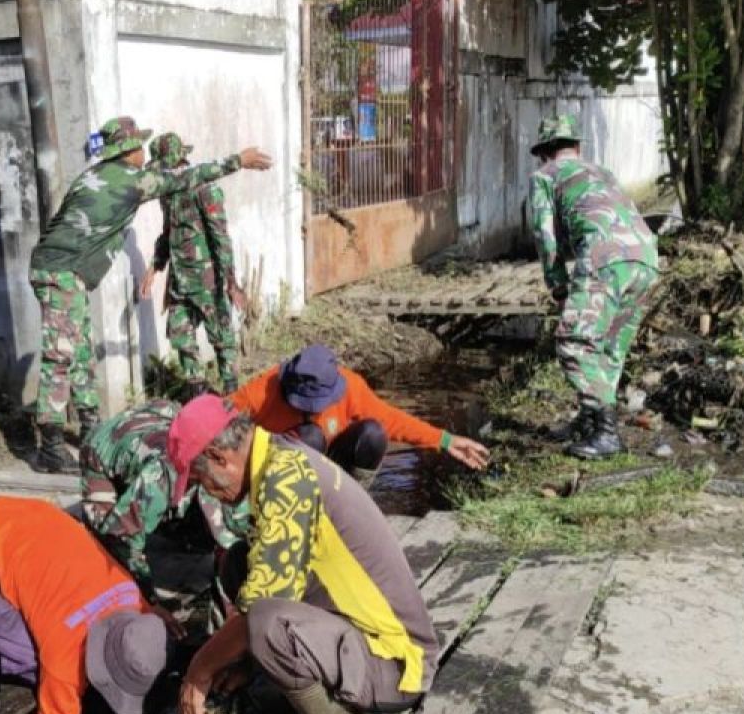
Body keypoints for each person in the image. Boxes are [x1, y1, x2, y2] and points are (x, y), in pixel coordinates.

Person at [167, 395, 439, 714]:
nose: (207, 493)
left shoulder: (286, 479)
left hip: (395, 666)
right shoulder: (278, 455)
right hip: (365, 638)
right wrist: (242, 660)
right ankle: (289, 680)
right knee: (241, 561)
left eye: (201, 481)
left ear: (219, 457)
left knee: (265, 618)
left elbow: (261, 607)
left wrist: (200, 669)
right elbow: (264, 574)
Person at [27, 115, 272, 474]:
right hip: (61, 274)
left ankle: (92, 430)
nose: (144, 153)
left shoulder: (93, 176)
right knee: (61, 356)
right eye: (140, 147)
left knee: (80, 352)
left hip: (67, 274)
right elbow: (182, 179)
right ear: (128, 152)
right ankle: (50, 446)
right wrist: (238, 160)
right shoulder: (128, 180)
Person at [0, 495, 181, 714]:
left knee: (39, 614)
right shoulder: (63, 660)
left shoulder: (135, 600)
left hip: (30, 515)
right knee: (28, 663)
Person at [528, 113, 660, 459]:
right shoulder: (603, 172)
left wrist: (558, 285)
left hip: (606, 258)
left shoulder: (544, 176)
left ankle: (606, 431)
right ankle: (588, 422)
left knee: (574, 341)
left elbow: (545, 235)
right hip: (647, 256)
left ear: (544, 152)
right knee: (609, 347)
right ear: (577, 146)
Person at [229, 343, 489, 487]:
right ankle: (302, 511)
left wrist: (445, 440)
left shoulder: (350, 385)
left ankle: (353, 501)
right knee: (309, 437)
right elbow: (218, 420)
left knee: (373, 433)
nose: (311, 410)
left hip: (331, 464)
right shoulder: (263, 391)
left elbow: (391, 420)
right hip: (281, 473)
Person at [77, 398, 248, 602]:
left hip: (158, 418)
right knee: (107, 550)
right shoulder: (158, 479)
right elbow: (123, 539)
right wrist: (148, 600)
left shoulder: (230, 456)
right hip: (102, 448)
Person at [139, 132, 245, 398]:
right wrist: (154, 268)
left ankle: (233, 398)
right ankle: (197, 397)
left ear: (173, 163)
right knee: (181, 338)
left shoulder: (205, 189)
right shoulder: (168, 194)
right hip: (179, 282)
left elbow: (220, 237)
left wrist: (231, 282)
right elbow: (167, 233)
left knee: (221, 338)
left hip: (207, 281)